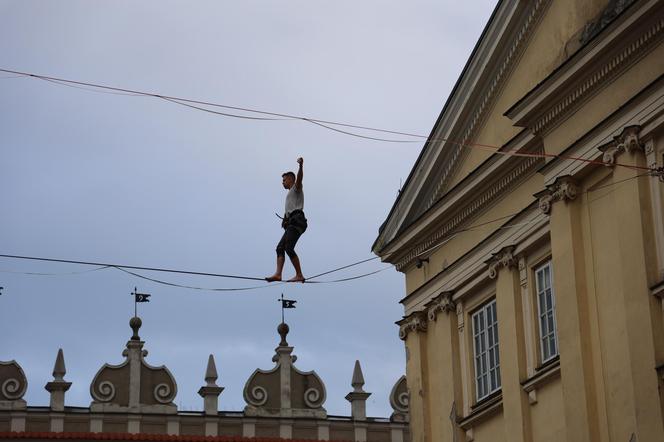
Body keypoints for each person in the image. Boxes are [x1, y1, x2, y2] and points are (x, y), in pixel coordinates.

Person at [266, 157, 307, 283]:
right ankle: (278, 274)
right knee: (280, 248)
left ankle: (299, 274)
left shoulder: (296, 188)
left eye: (284, 180)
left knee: (289, 248)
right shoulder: (290, 194)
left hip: (297, 221)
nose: (282, 182)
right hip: (292, 222)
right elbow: (289, 210)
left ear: (290, 179)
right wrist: (284, 219)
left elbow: (299, 178)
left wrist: (300, 166)